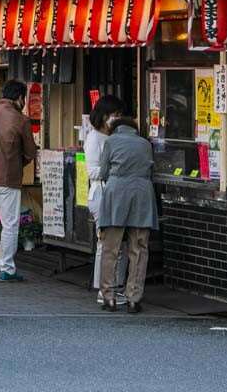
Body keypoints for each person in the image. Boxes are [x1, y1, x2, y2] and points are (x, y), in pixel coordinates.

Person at [0, 79, 38, 282]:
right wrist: (19, 163)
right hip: (9, 178)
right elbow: (30, 152)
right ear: (20, 98)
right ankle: (6, 268)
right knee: (10, 223)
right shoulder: (21, 120)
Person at [96, 112, 158, 314]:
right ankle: (134, 298)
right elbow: (151, 171)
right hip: (142, 194)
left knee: (110, 248)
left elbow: (104, 172)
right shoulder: (145, 144)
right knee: (139, 248)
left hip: (117, 194)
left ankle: (109, 297)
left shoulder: (111, 142)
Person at [84, 94, 127, 302]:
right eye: (114, 114)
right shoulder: (94, 138)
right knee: (106, 242)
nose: (116, 119)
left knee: (115, 243)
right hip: (101, 193)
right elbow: (92, 171)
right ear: (103, 115)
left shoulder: (111, 137)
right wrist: (114, 167)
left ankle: (112, 286)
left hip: (112, 192)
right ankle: (104, 289)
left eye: (119, 115)